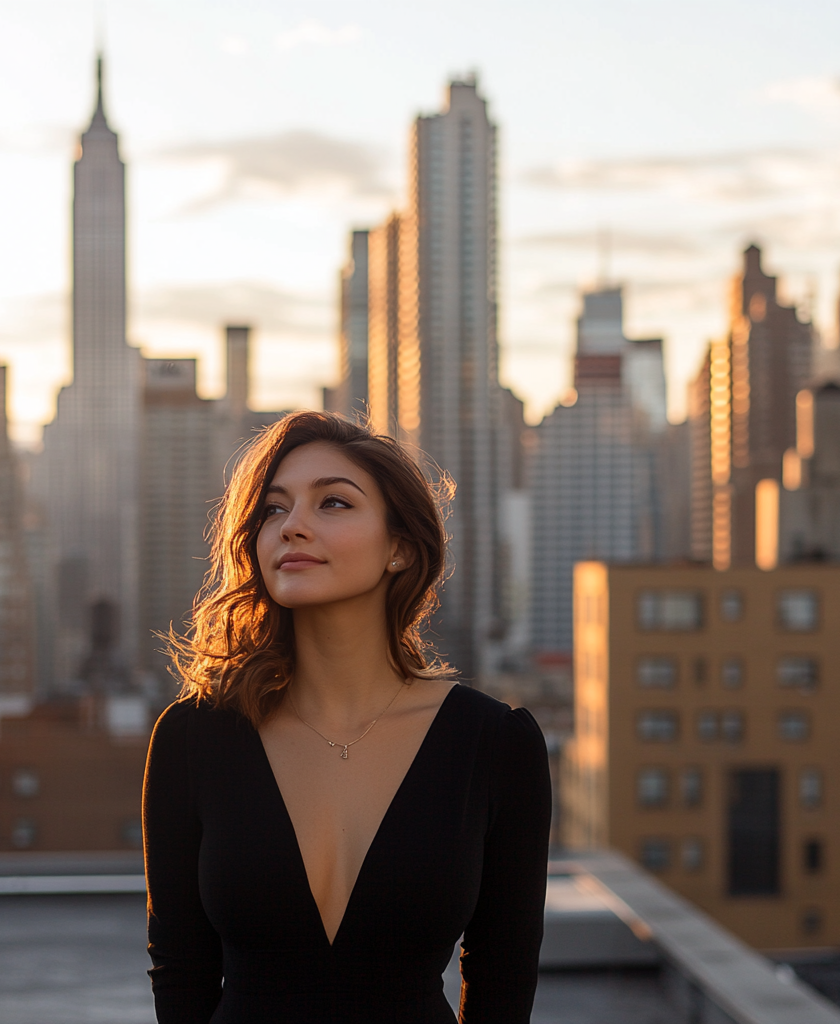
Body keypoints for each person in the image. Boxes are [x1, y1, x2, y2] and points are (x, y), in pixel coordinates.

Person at [143, 411, 551, 1023]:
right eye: (274, 510)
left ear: (399, 549)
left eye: (332, 503)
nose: (293, 527)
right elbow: (180, 973)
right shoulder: (193, 737)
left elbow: (503, 978)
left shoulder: (493, 743)